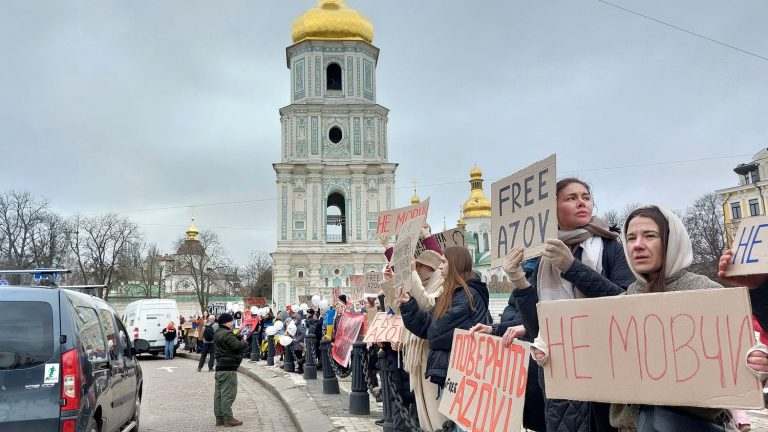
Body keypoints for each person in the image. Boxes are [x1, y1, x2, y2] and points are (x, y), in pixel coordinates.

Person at [476, 178, 634, 432]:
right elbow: (538, 327)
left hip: (606, 372)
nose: (582, 202)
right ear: (553, 210)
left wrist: (572, 268)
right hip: (559, 377)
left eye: (586, 197)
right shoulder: (543, 258)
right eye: (571, 198)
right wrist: (519, 282)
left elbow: (626, 305)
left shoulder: (610, 247)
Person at [398, 246, 492, 400]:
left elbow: (437, 332)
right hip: (452, 370)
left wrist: (429, 324)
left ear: (456, 264)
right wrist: (408, 303)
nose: (440, 266)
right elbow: (427, 324)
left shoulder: (468, 295)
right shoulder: (451, 294)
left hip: (464, 373)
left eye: (444, 262)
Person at [402, 249, 447, 432]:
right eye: (417, 265)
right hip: (418, 357)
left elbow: (426, 304)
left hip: (431, 356)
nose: (418, 269)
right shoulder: (421, 285)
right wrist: (391, 282)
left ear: (431, 267)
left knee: (435, 411)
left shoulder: (441, 287)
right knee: (422, 408)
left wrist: (411, 273)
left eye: (421, 266)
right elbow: (397, 306)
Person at [213, 312, 248, 427]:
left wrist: (235, 337)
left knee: (219, 394)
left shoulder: (218, 332)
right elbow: (237, 346)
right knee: (228, 394)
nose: (232, 323)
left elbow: (227, 343)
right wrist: (244, 341)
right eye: (231, 321)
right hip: (228, 367)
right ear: (226, 322)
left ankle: (219, 418)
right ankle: (228, 419)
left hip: (220, 367)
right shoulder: (227, 333)